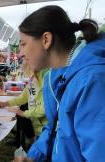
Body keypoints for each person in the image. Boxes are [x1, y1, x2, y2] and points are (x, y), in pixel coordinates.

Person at [14, 5, 105, 162]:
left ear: (46, 40)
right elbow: (55, 127)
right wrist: (32, 158)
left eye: (23, 44)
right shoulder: (53, 77)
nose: (20, 53)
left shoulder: (92, 81)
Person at [0, 63, 48, 141]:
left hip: (45, 127)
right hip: (36, 124)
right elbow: (23, 97)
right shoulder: (33, 78)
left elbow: (45, 108)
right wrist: (5, 104)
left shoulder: (46, 78)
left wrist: (23, 113)